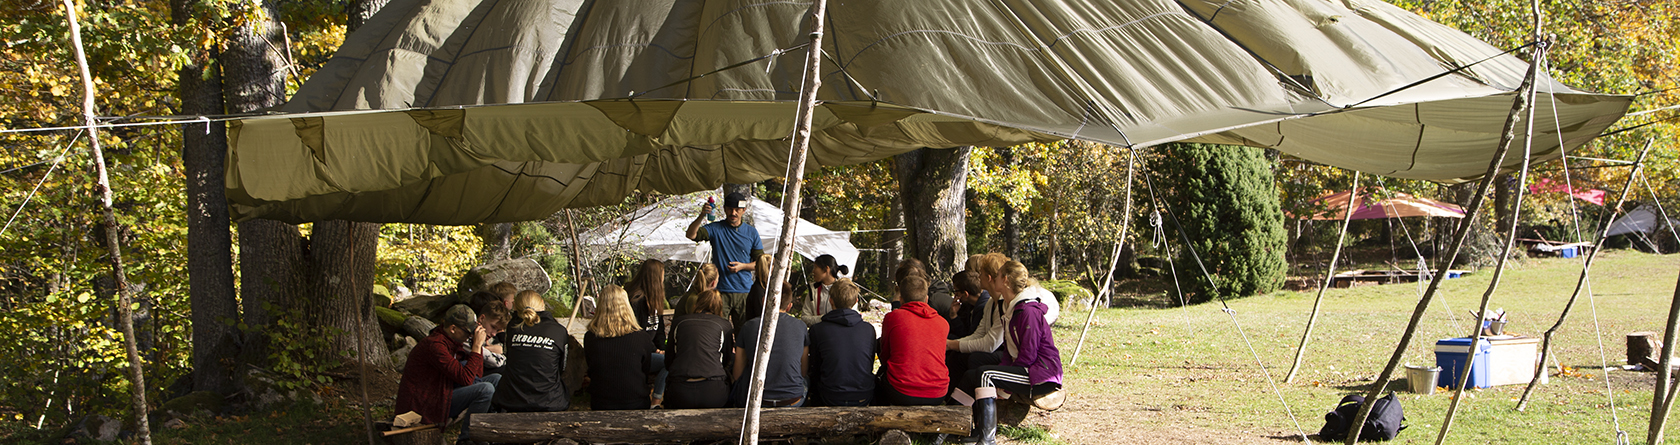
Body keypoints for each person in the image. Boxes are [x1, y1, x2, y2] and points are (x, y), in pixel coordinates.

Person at [955, 260, 1064, 445]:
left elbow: (1028, 356)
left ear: (1005, 280)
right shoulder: (1008, 307)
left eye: (997, 276)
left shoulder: (1028, 310)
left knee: (985, 374)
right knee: (971, 375)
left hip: (1042, 375)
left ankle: (987, 438)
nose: (994, 278)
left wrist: (1005, 387)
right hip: (1025, 370)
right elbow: (1008, 353)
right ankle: (951, 425)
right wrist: (1004, 374)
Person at [395, 304, 497, 426]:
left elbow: (477, 375)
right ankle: (467, 438)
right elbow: (467, 379)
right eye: (467, 332)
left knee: (496, 379)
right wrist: (476, 346)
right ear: (453, 328)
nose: (470, 336)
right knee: (486, 389)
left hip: (442, 392)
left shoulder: (452, 341)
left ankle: (492, 426)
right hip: (425, 404)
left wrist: (478, 347)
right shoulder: (435, 346)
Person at [687, 192, 764, 330]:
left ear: (743, 211)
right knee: (717, 330)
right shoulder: (716, 228)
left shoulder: (751, 232)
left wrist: (743, 266)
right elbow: (691, 235)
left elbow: (761, 263)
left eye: (737, 210)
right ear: (724, 209)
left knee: (744, 332)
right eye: (729, 209)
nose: (733, 213)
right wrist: (701, 216)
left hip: (744, 291)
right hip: (719, 291)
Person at [730, 280, 807, 408]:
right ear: (789, 306)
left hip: (758, 400)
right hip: (792, 399)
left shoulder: (749, 326)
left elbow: (737, 373)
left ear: (764, 301)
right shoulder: (801, 326)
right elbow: (803, 371)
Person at [491, 291, 571, 413]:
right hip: (550, 400)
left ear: (515, 307)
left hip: (513, 398)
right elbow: (561, 367)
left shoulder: (512, 327)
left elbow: (508, 356)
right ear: (543, 304)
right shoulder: (559, 330)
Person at [584, 285, 658, 410]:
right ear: (626, 305)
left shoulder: (590, 337)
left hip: (601, 403)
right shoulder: (641, 337)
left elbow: (591, 366)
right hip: (636, 402)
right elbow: (645, 369)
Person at [878, 275, 948, 406]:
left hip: (901, 391)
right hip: (938, 392)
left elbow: (885, 353)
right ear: (926, 299)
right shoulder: (943, 323)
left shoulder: (893, 317)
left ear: (901, 299)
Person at [805, 279, 875, 406]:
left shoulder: (818, 330)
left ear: (830, 300)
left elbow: (815, 367)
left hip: (830, 395)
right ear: (856, 301)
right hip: (863, 395)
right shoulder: (868, 329)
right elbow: (868, 363)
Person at [664, 290, 735, 409]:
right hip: (714, 390)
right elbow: (727, 359)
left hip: (680, 389)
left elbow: (669, 359)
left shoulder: (679, 322)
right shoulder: (724, 325)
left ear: (697, 303)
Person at [624, 259, 670, 406]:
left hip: (651, 351)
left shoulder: (656, 297)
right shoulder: (635, 300)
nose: (664, 278)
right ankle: (656, 401)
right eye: (662, 274)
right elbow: (635, 332)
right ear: (655, 276)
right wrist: (652, 349)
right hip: (636, 353)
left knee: (670, 359)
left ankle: (656, 399)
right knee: (669, 362)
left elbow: (660, 329)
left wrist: (662, 348)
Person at [946, 270, 989, 393]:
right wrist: (954, 315)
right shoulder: (969, 306)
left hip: (981, 347)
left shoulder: (982, 307)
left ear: (965, 293)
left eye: (956, 292)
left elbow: (971, 336)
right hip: (970, 339)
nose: (954, 295)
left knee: (956, 356)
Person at [797, 254, 852, 326]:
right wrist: (825, 318)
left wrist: (824, 319)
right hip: (819, 335)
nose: (813, 271)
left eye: (816, 267)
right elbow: (804, 318)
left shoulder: (845, 289)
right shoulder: (813, 290)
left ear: (826, 269)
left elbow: (850, 316)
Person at [471, 300, 510, 375]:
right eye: (493, 327)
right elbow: (496, 362)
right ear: (482, 318)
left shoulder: (489, 338)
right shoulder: (470, 335)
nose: (494, 334)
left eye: (497, 330)